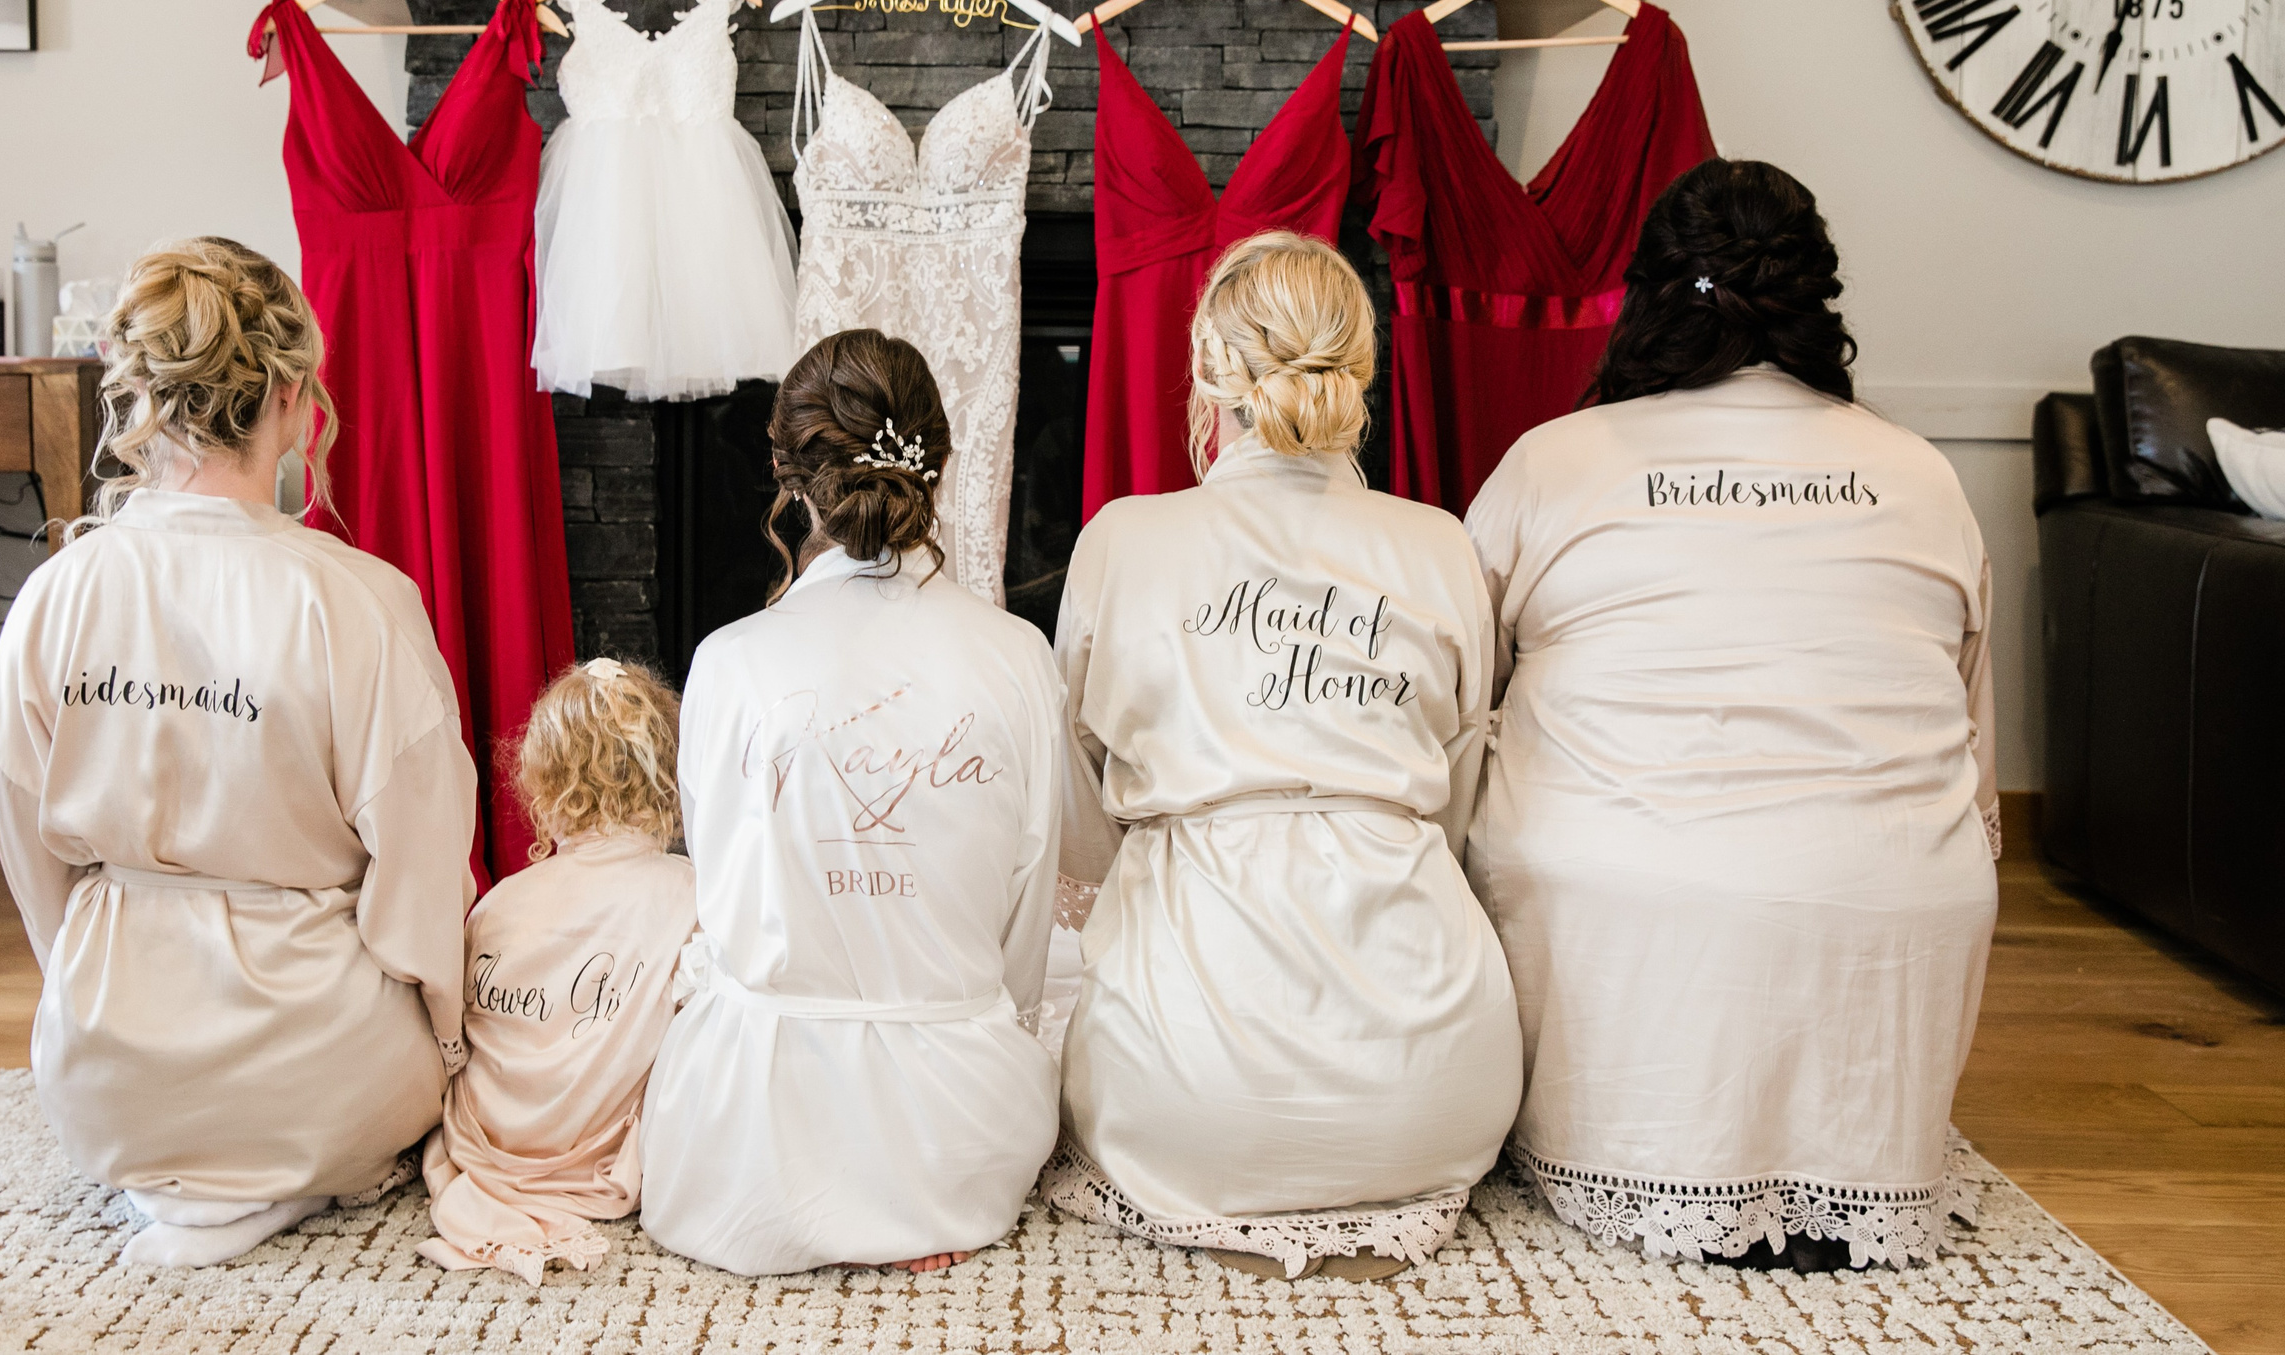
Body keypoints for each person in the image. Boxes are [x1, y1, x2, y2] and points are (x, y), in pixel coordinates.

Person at [1463, 159, 1999, 1273]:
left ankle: (1624, 1128)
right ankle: (1851, 1148)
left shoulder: (1552, 462)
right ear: (1816, 302)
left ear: (1645, 293)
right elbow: (1968, 736)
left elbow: (1456, 691)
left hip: (1626, 885)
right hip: (1898, 899)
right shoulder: (1919, 472)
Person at [0, 237, 477, 1268]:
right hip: (319, 1064)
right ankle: (299, 1170)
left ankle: (180, 1164)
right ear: (295, 397)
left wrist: (88, 997)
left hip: (103, 1075)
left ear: (150, 395)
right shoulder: (359, 600)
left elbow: (36, 874)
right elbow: (422, 877)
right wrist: (445, 1045)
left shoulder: (57, 594)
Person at [1042, 231, 1522, 1281]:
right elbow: (1457, 792)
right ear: (1360, 369)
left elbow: (1071, 782)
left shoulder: (1123, 538)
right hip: (1433, 1083)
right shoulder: (1439, 540)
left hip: (1187, 1091)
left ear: (1209, 369)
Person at [638, 329, 1064, 1276]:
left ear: (788, 477)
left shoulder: (729, 662)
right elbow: (1024, 940)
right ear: (939, 466)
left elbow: (722, 897)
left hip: (739, 1150)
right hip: (957, 1138)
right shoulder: (1018, 659)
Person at [418, 656, 698, 1285]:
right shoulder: (690, 897)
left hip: (486, 1139)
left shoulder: (497, 904)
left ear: (543, 783)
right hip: (587, 1148)